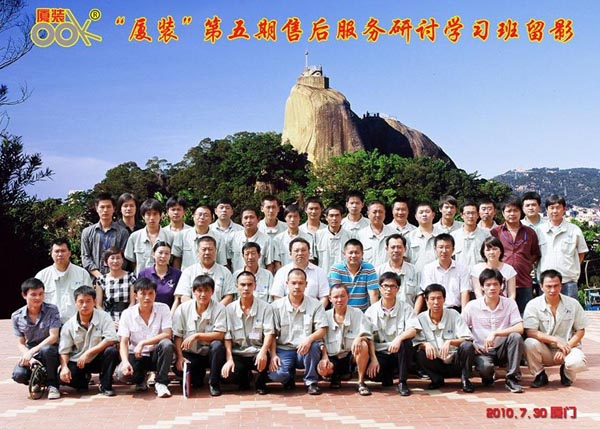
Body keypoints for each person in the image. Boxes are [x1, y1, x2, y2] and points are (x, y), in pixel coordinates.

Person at [462, 269, 524, 393]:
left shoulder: (510, 304)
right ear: (482, 287)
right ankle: (488, 376)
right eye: (488, 285)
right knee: (485, 368)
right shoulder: (472, 306)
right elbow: (461, 328)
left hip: (502, 349)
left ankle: (512, 379)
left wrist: (495, 333)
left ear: (501, 286)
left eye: (495, 284)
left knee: (516, 337)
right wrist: (472, 343)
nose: (492, 288)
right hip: (482, 351)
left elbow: (519, 328)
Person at [523, 269, 589, 388]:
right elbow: (530, 332)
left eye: (556, 286)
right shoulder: (533, 305)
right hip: (545, 349)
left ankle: (566, 374)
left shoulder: (573, 304)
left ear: (561, 285)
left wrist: (565, 347)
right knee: (529, 343)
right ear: (541, 286)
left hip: (569, 348)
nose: (553, 290)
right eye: (548, 286)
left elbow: (580, 330)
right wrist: (555, 340)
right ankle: (539, 375)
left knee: (577, 363)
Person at [269, 268, 328, 395]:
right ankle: (288, 378)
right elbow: (272, 334)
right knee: (276, 375)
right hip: (284, 349)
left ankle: (311, 382)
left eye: (301, 283)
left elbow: (322, 329)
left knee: (314, 346)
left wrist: (309, 339)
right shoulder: (276, 306)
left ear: (306, 284)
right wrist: (273, 355)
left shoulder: (316, 305)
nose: (297, 286)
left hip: (305, 350)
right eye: (293, 283)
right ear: (287, 284)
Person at [360, 273, 418, 396]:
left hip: (398, 353)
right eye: (385, 286)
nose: (388, 289)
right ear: (380, 288)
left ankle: (402, 382)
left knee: (406, 343)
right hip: (381, 353)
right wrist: (373, 359)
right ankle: (387, 376)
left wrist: (399, 339)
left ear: (398, 289)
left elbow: (413, 329)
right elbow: (368, 337)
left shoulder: (406, 308)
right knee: (372, 374)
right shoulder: (371, 311)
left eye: (392, 286)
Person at [117, 278, 174, 397]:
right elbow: (124, 341)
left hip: (156, 354)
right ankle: (140, 379)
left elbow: (167, 333)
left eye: (151, 293)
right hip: (137, 355)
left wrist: (143, 343)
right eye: (143, 294)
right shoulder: (127, 314)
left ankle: (161, 383)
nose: (147, 297)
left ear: (155, 294)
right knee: (122, 374)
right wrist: (125, 361)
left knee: (167, 344)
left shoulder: (163, 308)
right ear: (135, 296)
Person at [58, 286, 120, 396]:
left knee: (112, 351)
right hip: (79, 361)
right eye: (81, 302)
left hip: (98, 359)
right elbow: (64, 351)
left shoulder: (104, 317)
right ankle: (83, 381)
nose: (84, 305)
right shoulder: (69, 325)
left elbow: (111, 339)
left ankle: (105, 385)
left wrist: (89, 353)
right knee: (64, 378)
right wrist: (64, 367)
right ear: (75, 303)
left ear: (94, 302)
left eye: (88, 301)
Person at [414, 284, 476, 393]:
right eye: (432, 299)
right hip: (435, 361)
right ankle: (436, 379)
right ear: (426, 300)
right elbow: (416, 342)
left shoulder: (454, 314)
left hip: (455, 360)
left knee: (467, 346)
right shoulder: (420, 318)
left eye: (439, 298)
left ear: (444, 299)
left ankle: (465, 380)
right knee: (420, 352)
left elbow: (468, 339)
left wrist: (450, 342)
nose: (436, 302)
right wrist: (426, 344)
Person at [221, 271, 275, 394]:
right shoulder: (229, 309)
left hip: (257, 352)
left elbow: (269, 333)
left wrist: (263, 352)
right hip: (238, 353)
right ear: (237, 286)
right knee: (227, 376)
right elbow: (227, 337)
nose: (246, 288)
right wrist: (229, 359)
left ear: (255, 286)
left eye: (250, 284)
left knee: (264, 360)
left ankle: (261, 382)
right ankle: (245, 377)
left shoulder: (265, 307)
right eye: (243, 285)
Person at [172, 275, 226, 396]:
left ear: (212, 292)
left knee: (217, 345)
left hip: (210, 355)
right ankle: (197, 377)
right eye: (199, 291)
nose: (203, 294)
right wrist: (179, 357)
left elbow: (220, 334)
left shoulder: (220, 309)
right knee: (180, 369)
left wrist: (197, 336)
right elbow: (178, 336)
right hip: (191, 353)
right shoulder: (183, 309)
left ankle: (214, 383)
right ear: (193, 292)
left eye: (206, 290)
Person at [12, 278, 62, 400]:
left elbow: (53, 336)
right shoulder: (16, 316)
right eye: (33, 295)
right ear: (24, 295)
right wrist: (29, 357)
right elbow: (20, 343)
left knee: (47, 350)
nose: (38, 298)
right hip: (32, 352)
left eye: (41, 294)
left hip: (51, 350)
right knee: (18, 375)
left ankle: (53, 385)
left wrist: (32, 351)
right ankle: (38, 380)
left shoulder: (52, 310)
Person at [490, 196, 541, 313]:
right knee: (502, 315)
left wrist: (526, 264)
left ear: (521, 212)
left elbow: (535, 253)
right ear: (503, 213)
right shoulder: (495, 232)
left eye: (515, 210)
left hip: (524, 282)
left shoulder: (530, 232)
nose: (512, 214)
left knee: (525, 316)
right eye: (509, 211)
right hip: (501, 283)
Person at [318, 284, 370, 395]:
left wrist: (360, 338)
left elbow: (367, 333)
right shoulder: (324, 315)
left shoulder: (357, 313)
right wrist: (324, 356)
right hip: (331, 356)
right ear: (330, 298)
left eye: (342, 296)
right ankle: (334, 376)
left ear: (348, 296)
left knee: (363, 345)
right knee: (322, 369)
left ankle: (361, 382)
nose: (339, 300)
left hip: (350, 356)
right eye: (336, 297)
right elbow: (319, 339)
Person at [537, 195, 588, 299]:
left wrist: (571, 268)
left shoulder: (574, 230)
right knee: (545, 309)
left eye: (558, 207)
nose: (555, 211)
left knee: (570, 309)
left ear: (564, 209)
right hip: (546, 282)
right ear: (546, 210)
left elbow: (581, 253)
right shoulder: (539, 231)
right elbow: (535, 254)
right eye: (551, 208)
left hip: (568, 281)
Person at [36, 238, 92, 323]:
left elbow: (90, 300)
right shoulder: (42, 276)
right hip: (49, 325)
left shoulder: (82, 274)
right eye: (56, 251)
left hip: (76, 324)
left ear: (69, 253)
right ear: (51, 253)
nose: (60, 254)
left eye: (63, 251)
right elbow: (34, 303)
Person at [415, 234, 471, 314]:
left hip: (456, 310)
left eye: (447, 247)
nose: (444, 251)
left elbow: (465, 292)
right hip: (435, 310)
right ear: (435, 249)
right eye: (441, 247)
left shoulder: (462, 269)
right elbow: (429, 293)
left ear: (453, 249)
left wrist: (463, 315)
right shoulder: (428, 269)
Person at [174, 236, 236, 308]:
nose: (207, 252)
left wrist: (215, 310)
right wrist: (197, 309)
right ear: (197, 251)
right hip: (193, 312)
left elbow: (229, 296)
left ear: (216, 251)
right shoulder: (188, 272)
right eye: (204, 249)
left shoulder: (225, 272)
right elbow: (183, 296)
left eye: (210, 249)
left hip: (218, 312)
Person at [81, 192, 130, 281]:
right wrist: (100, 277)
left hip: (117, 280)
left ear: (114, 209)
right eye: (102, 207)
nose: (105, 210)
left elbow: (125, 258)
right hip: (94, 280)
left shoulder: (123, 232)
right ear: (97, 208)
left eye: (108, 207)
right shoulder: (87, 232)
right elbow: (85, 257)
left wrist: (111, 277)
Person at [271, 237, 329, 307]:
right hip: (287, 311)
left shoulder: (319, 272)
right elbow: (277, 297)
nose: (300, 253)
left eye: (303, 250)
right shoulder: (282, 272)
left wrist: (316, 311)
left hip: (313, 311)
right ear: (290, 254)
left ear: (309, 253)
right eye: (296, 251)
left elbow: (324, 297)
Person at [124, 198, 175, 275]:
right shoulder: (134, 237)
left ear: (160, 215)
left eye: (155, 214)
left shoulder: (170, 236)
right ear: (143, 216)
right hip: (141, 280)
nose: (152, 218)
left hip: (163, 279)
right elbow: (132, 262)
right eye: (148, 214)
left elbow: (173, 260)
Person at [328, 239, 379, 312]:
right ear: (344, 254)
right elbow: (336, 294)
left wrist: (374, 313)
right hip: (341, 312)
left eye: (357, 252)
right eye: (350, 252)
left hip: (362, 313)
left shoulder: (369, 268)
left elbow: (373, 294)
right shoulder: (336, 269)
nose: (354, 255)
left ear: (362, 254)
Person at [172, 205, 226, 270]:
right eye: (199, 214)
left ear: (212, 219)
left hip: (211, 274)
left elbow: (222, 262)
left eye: (206, 215)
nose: (202, 217)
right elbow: (177, 258)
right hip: (188, 274)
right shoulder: (182, 235)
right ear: (193, 216)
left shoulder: (219, 237)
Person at [95, 247, 136, 327]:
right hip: (107, 318)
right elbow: (98, 305)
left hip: (127, 316)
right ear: (106, 262)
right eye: (112, 258)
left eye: (118, 258)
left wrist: (124, 320)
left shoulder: (130, 277)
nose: (115, 261)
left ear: (123, 260)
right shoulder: (101, 280)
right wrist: (109, 321)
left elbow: (133, 302)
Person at [227, 206, 276, 273]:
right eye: (246, 218)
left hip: (259, 277)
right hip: (237, 277)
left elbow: (269, 265)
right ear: (241, 220)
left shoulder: (267, 240)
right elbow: (228, 261)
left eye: (252, 217)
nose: (248, 221)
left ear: (258, 219)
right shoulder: (233, 237)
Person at [375, 234, 419, 308]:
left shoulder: (414, 270)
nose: (396, 250)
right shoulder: (379, 271)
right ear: (386, 249)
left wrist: (414, 314)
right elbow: (375, 295)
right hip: (385, 313)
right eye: (393, 247)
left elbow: (419, 295)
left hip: (409, 313)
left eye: (399, 247)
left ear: (405, 249)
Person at [137, 241, 182, 309]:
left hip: (171, 312)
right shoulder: (144, 273)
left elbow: (177, 299)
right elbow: (140, 297)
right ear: (153, 254)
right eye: (160, 253)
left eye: (167, 253)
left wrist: (171, 314)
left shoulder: (177, 274)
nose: (163, 256)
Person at [356, 200, 396, 266]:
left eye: (380, 212)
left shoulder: (394, 234)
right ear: (368, 214)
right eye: (374, 212)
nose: (378, 215)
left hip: (388, 272)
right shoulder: (360, 235)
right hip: (368, 272)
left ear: (385, 214)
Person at [451, 201, 490, 268]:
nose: (471, 216)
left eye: (473, 213)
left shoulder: (486, 235)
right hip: (460, 273)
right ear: (462, 215)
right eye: (468, 213)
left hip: (480, 272)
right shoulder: (454, 236)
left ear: (478, 215)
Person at [406, 202, 443, 273]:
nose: (424, 214)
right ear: (416, 216)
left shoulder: (442, 236)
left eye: (427, 212)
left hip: (438, 275)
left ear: (433, 215)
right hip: (416, 276)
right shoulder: (409, 237)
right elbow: (405, 260)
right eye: (421, 212)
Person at [315, 204, 352, 272]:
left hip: (344, 275)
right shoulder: (318, 235)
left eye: (337, 215)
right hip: (323, 275)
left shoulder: (349, 236)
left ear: (342, 217)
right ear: (326, 217)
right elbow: (314, 258)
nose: (334, 218)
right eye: (331, 216)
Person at [299, 196, 327, 261]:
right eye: (311, 209)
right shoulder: (299, 230)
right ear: (306, 210)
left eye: (316, 208)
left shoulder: (327, 230)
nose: (313, 211)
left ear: (321, 209)